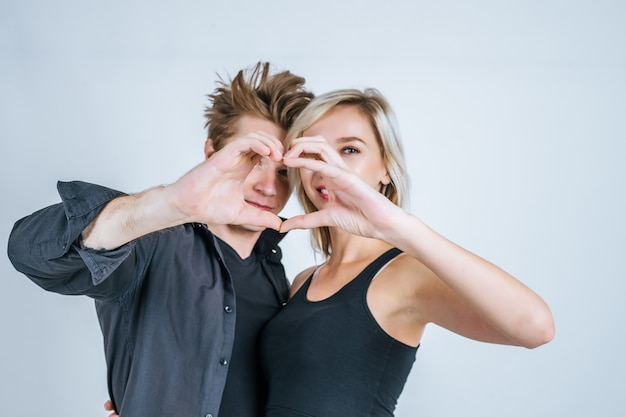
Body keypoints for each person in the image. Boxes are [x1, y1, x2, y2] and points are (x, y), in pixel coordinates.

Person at [7, 62, 313, 417]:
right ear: (213, 154)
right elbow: (30, 252)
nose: (268, 186)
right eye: (253, 160)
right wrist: (169, 203)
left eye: (284, 171)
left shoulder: (279, 278)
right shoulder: (152, 244)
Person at [259, 88, 556, 417]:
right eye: (313, 153)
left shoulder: (404, 275)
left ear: (385, 167)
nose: (329, 166)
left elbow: (536, 327)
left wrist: (399, 227)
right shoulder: (303, 281)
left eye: (349, 149)